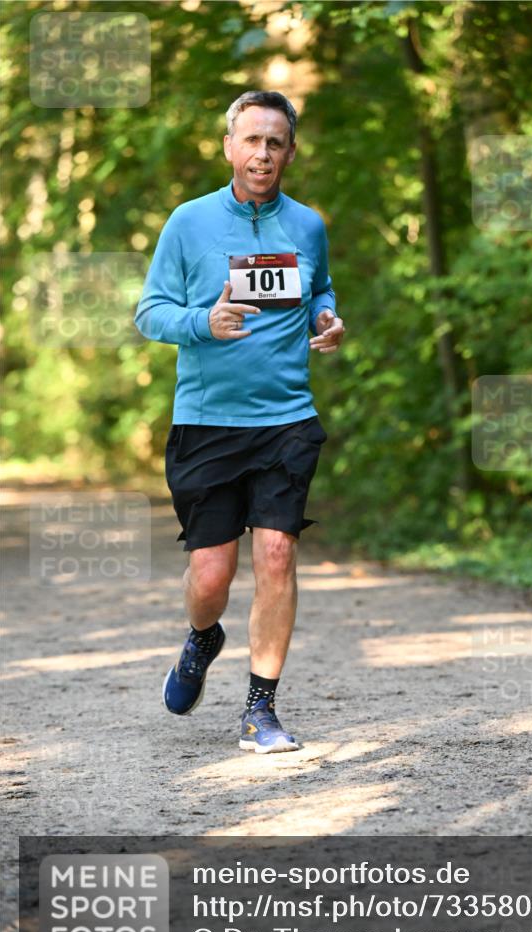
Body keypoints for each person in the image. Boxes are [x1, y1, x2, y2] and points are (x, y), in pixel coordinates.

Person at [134, 90, 344, 753]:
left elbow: (321, 288)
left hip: (286, 420)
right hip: (206, 424)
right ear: (229, 147)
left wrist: (325, 319)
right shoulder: (188, 223)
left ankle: (261, 709)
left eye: (274, 142)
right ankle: (202, 638)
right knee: (210, 579)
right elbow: (149, 312)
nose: (262, 153)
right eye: (250, 140)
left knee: (277, 554)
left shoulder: (307, 225)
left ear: (289, 150)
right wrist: (204, 322)